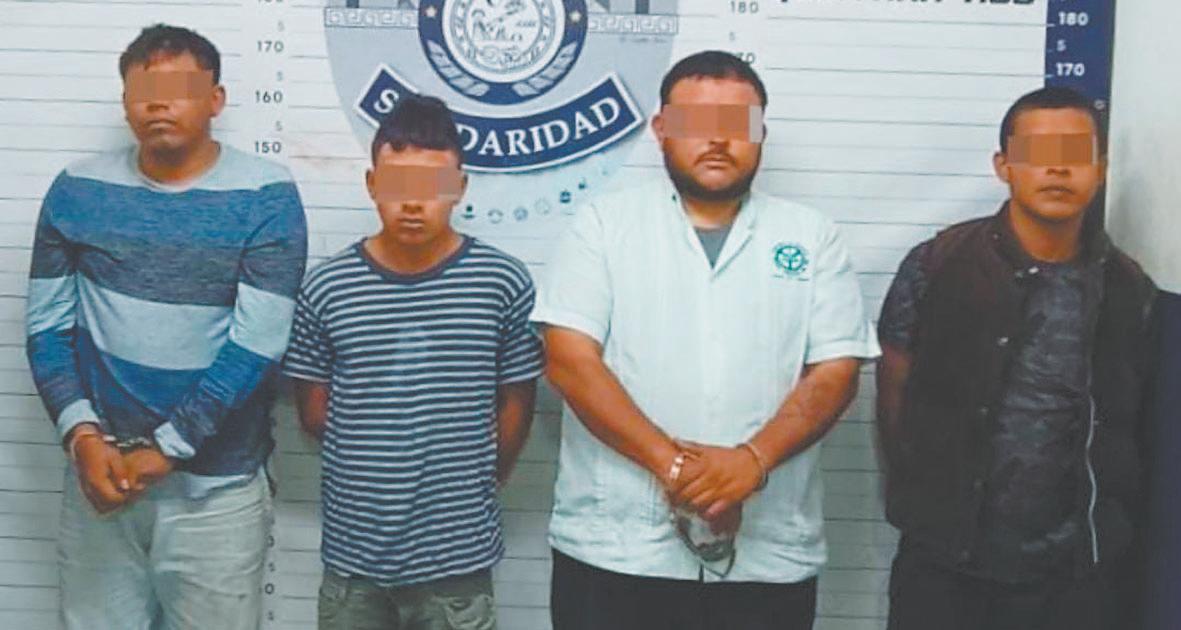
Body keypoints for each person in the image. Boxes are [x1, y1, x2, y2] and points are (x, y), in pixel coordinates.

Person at [531, 51, 879, 630]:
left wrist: (752, 462)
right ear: (661, 129)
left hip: (767, 559)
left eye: (737, 123)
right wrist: (671, 467)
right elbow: (569, 361)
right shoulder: (604, 226)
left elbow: (835, 371)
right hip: (617, 550)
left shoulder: (811, 236)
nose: (717, 140)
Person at [25, 24, 308, 630]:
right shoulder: (77, 190)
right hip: (99, 482)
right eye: (143, 91)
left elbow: (258, 343)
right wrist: (83, 437)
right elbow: (47, 328)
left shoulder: (267, 194)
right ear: (125, 102)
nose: (158, 105)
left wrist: (170, 448)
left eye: (179, 89)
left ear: (216, 100)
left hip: (216, 497)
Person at [876, 86, 1160, 630]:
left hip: (1077, 576)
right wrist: (924, 503)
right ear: (1003, 166)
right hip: (944, 567)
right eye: (1037, 153)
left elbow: (1136, 427)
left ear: (1100, 170)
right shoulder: (937, 265)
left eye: (1075, 154)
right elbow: (894, 401)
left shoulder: (1129, 289)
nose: (1057, 169)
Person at [282, 94, 544, 630]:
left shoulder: (501, 282)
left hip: (457, 563)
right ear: (372, 184)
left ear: (460, 187)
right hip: (354, 561)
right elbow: (313, 412)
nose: (413, 203)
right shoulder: (327, 287)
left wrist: (477, 479)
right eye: (397, 184)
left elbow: (517, 399)